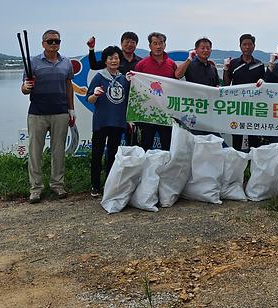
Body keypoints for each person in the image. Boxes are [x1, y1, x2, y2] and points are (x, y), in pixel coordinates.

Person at [20, 29, 75, 204]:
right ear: (43, 43)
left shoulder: (66, 63)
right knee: (35, 152)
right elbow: (24, 88)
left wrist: (71, 110)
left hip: (60, 112)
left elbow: (69, 85)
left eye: (57, 41)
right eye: (50, 41)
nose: (54, 44)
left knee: (58, 151)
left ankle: (57, 185)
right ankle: (35, 188)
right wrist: (26, 87)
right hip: (37, 113)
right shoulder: (33, 62)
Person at [86, 46, 132, 198]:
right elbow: (89, 99)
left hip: (118, 122)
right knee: (97, 154)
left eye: (117, 58)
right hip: (101, 122)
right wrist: (96, 94)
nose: (114, 61)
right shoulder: (99, 77)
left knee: (113, 155)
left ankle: (109, 185)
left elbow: (129, 100)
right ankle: (95, 186)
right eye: (110, 58)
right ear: (105, 61)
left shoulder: (124, 78)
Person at [133, 32, 178, 150]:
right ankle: (146, 168)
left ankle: (167, 168)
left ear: (165, 45)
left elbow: (176, 86)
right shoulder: (141, 64)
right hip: (147, 112)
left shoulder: (171, 64)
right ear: (150, 46)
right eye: (155, 43)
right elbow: (137, 88)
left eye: (161, 43)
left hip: (166, 111)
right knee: (146, 143)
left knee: (167, 144)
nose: (158, 46)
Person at [224, 33, 267, 150]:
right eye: (244, 44)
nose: (247, 47)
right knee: (236, 136)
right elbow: (227, 83)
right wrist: (225, 69)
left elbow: (263, 83)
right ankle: (237, 162)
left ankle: (253, 163)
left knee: (253, 137)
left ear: (254, 46)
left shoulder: (259, 64)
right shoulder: (233, 63)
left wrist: (262, 81)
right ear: (240, 46)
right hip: (237, 106)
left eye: (250, 44)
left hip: (254, 106)